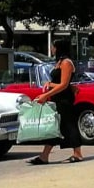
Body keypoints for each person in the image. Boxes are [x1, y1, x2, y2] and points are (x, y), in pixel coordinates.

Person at [28, 36, 83, 164]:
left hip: (65, 99)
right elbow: (60, 83)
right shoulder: (59, 62)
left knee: (68, 124)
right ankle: (44, 156)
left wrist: (45, 95)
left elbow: (63, 84)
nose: (51, 49)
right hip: (58, 97)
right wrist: (50, 84)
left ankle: (77, 153)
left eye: (53, 46)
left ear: (58, 48)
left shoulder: (66, 63)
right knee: (55, 126)